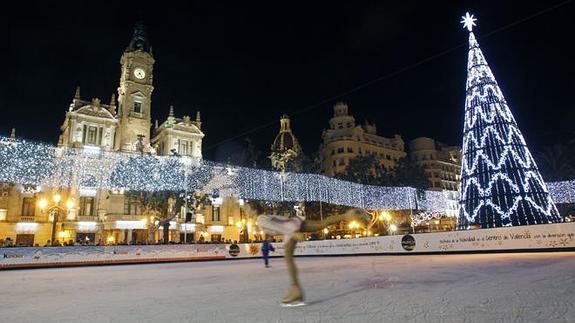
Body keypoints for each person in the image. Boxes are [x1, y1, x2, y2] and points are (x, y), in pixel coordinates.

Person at [257, 208, 370, 306]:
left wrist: (292, 233)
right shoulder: (265, 217)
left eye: (247, 209)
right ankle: (348, 215)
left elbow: (277, 226)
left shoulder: (260, 219)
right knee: (321, 224)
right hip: (294, 222)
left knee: (288, 257)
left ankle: (296, 290)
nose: (246, 211)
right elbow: (278, 222)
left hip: (290, 228)